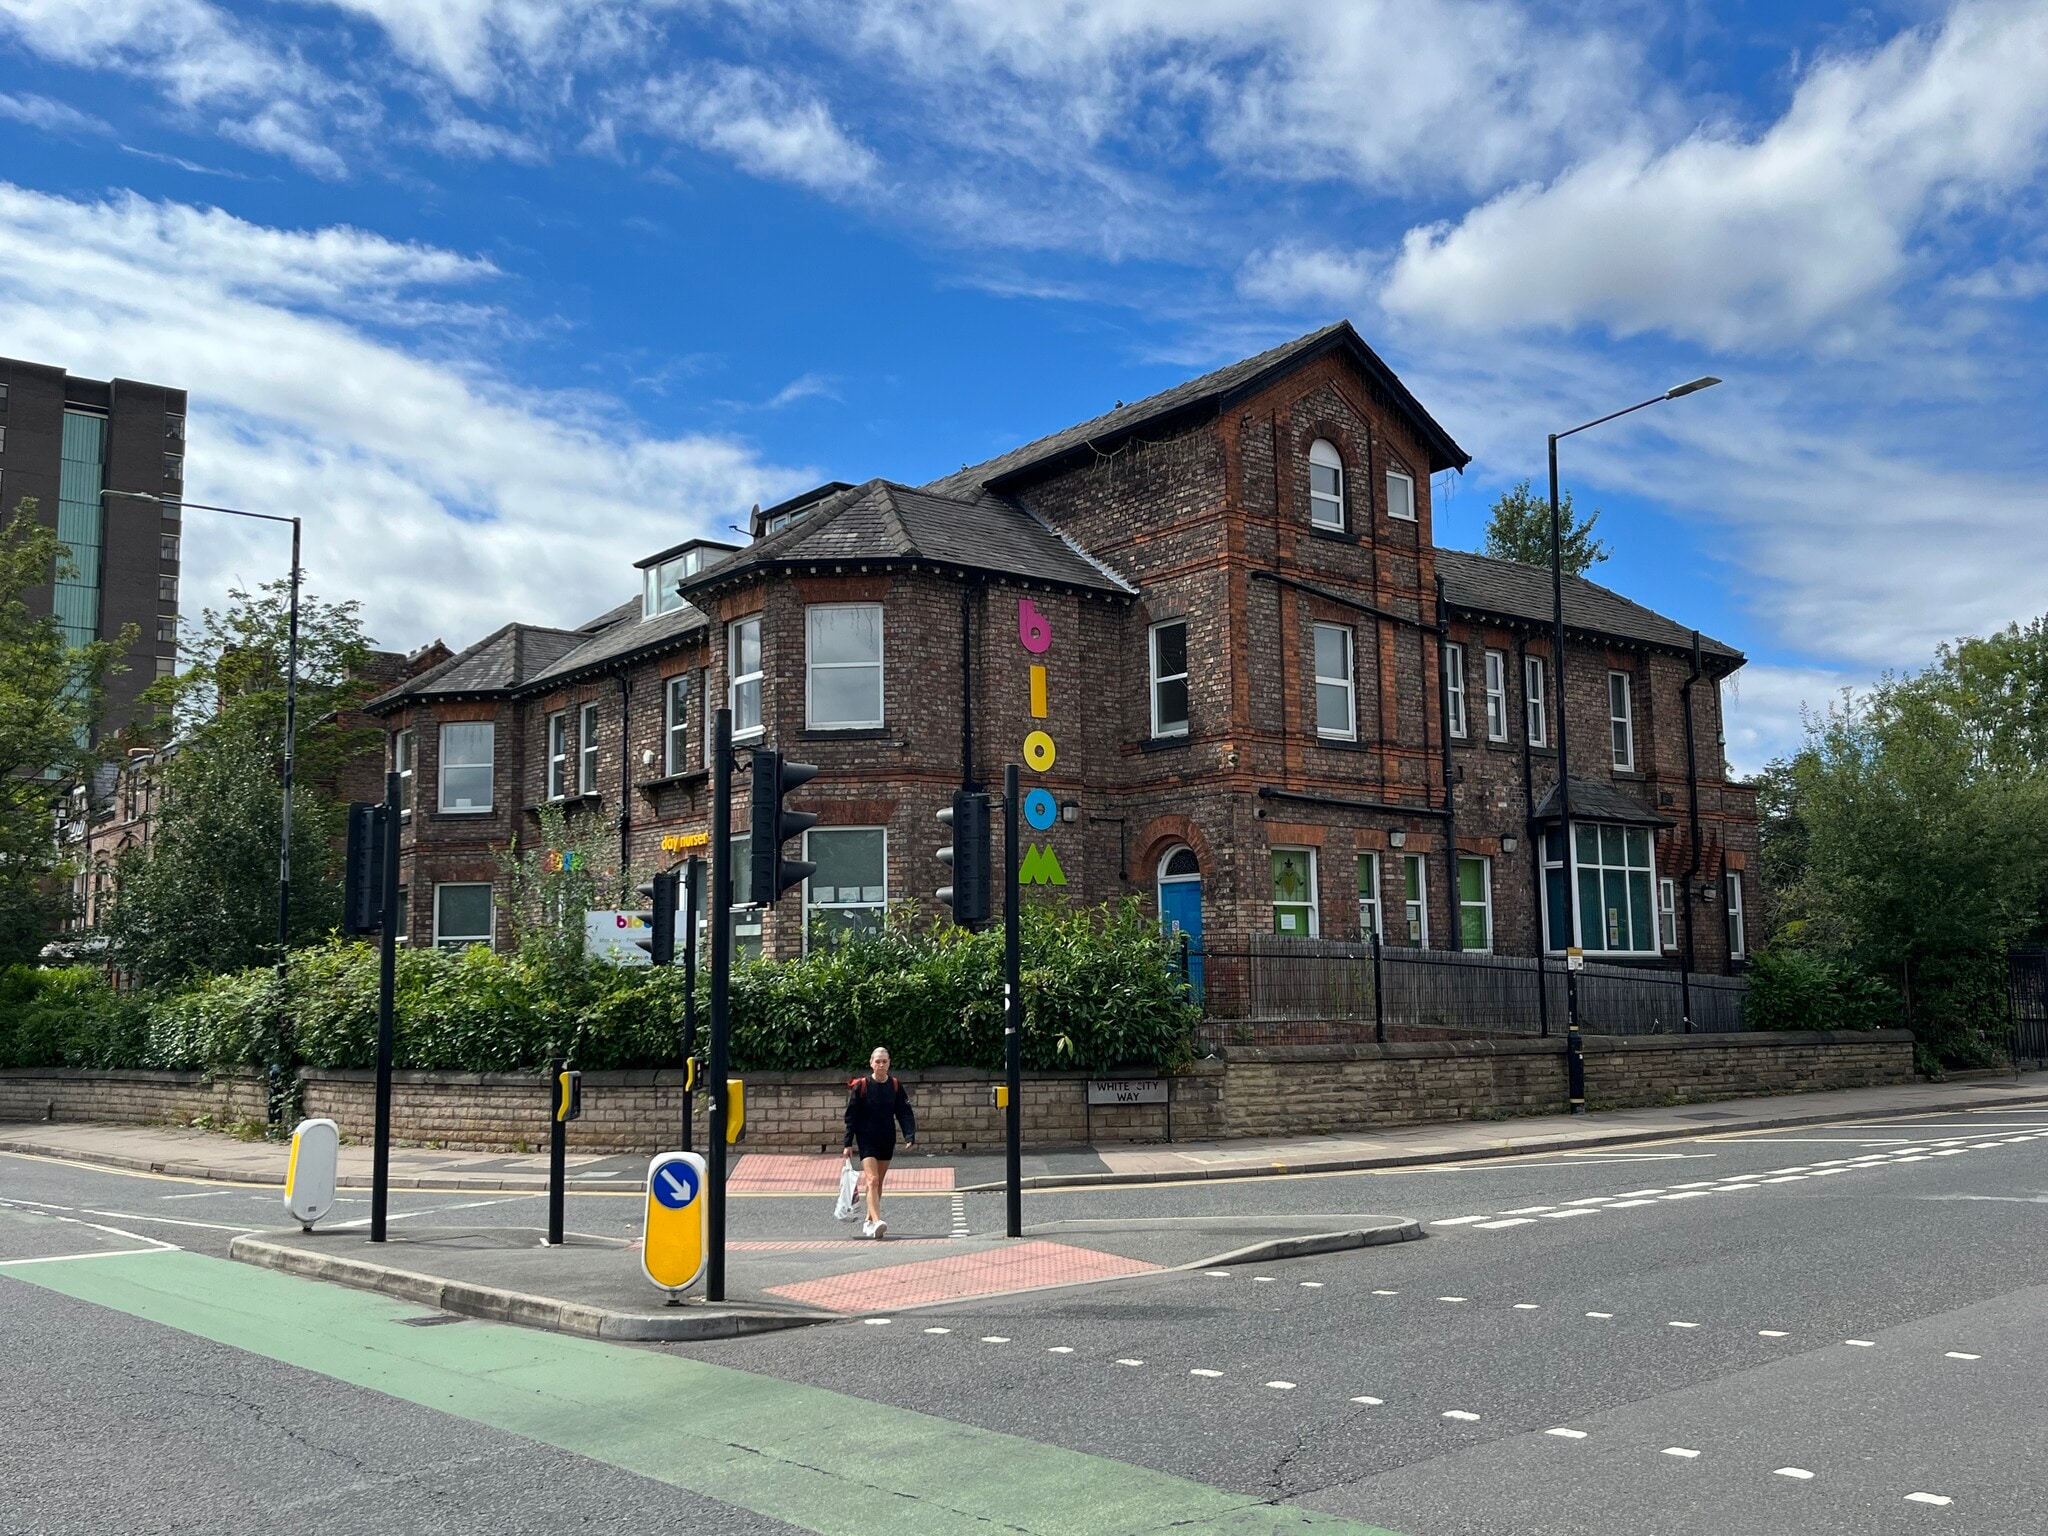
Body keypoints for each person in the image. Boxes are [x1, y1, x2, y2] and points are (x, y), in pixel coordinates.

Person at [843, 1046, 915, 1239]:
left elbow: (904, 1112)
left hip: (886, 1137)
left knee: (878, 1182)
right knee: (872, 1179)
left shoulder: (895, 1085)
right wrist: (847, 1143)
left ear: (889, 1063)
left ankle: (868, 1222)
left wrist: (909, 1134)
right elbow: (851, 1116)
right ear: (871, 1063)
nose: (881, 1065)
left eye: (884, 1061)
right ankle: (877, 1221)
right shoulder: (862, 1086)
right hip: (866, 1138)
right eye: (877, 1061)